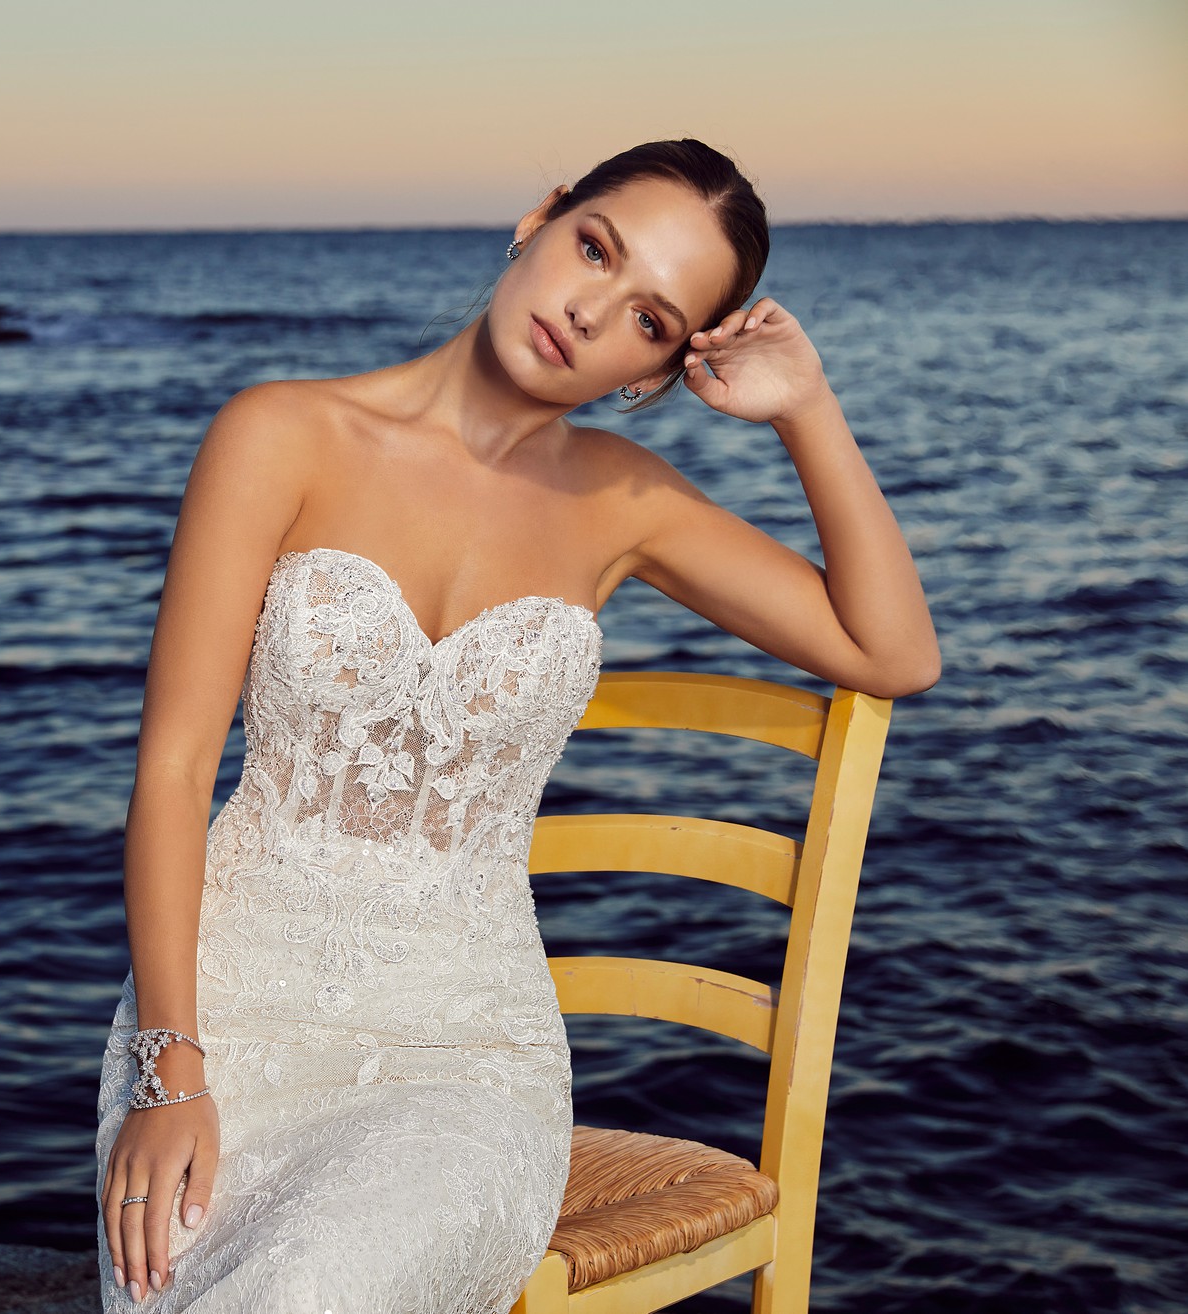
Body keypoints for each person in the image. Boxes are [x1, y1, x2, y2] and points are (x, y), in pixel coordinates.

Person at [92, 137, 940, 1312]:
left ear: (661, 367)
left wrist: (807, 411)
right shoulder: (281, 434)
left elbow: (895, 653)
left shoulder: (624, 503)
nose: (589, 314)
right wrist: (167, 1071)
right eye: (595, 249)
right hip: (225, 1022)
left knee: (307, 1290)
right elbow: (177, 774)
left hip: (466, 1055)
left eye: (649, 321)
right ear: (541, 217)